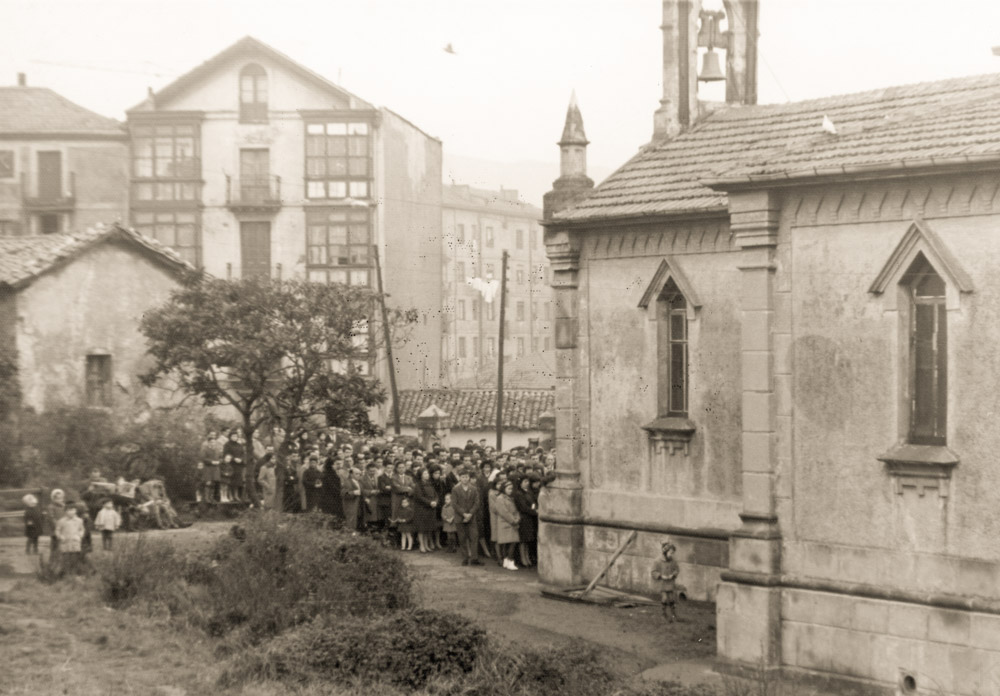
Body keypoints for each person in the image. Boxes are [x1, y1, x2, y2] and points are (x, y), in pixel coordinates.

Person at [451, 468, 482, 566]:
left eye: (467, 477)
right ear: (459, 478)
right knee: (462, 538)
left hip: (471, 517)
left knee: (474, 537)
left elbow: (477, 503)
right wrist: (464, 514)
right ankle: (465, 558)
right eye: (463, 477)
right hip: (460, 517)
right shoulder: (455, 489)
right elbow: (454, 504)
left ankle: (474, 558)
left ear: (469, 478)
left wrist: (470, 514)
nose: (465, 479)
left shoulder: (473, 488)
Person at [494, 481, 521, 571]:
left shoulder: (509, 498)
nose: (510, 490)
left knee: (511, 543)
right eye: (508, 489)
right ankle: (510, 561)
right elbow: (504, 512)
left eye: (511, 489)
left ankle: (507, 560)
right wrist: (514, 521)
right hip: (505, 523)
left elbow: (515, 510)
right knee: (511, 543)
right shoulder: (500, 498)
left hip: (510, 523)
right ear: (503, 489)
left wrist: (517, 518)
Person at [652, 542, 681, 623]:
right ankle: (663, 614)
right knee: (664, 598)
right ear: (665, 552)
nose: (671, 555)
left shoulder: (673, 561)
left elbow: (677, 569)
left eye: (673, 553)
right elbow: (653, 572)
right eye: (670, 553)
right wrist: (661, 576)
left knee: (672, 598)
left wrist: (673, 575)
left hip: (670, 583)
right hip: (662, 583)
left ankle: (673, 614)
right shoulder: (657, 561)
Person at [411, 468, 438, 553]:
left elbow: (435, 495)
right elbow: (419, 497)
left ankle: (426, 545)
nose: (427, 475)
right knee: (421, 529)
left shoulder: (430, 484)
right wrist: (430, 502)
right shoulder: (418, 485)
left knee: (428, 528)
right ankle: (422, 545)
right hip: (422, 509)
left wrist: (436, 501)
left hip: (430, 508)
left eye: (427, 473)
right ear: (421, 475)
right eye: (425, 473)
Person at [513, 476, 538, 567]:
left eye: (528, 481)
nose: (527, 483)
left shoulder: (529, 492)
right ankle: (523, 559)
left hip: (529, 518)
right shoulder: (519, 494)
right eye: (525, 481)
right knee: (523, 540)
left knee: (528, 540)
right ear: (520, 483)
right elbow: (523, 507)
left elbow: (533, 503)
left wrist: (534, 509)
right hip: (524, 518)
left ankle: (527, 557)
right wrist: (534, 512)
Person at [55, 505, 86, 574]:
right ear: (65, 511)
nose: (71, 512)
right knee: (65, 558)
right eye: (69, 510)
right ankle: (65, 573)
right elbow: (57, 530)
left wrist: (79, 536)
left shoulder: (79, 520)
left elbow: (82, 529)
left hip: (75, 542)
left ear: (76, 511)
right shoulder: (61, 521)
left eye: (73, 510)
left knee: (75, 558)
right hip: (65, 542)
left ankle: (74, 573)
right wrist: (60, 536)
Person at [319, 455, 344, 520]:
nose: (339, 466)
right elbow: (333, 488)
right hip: (330, 500)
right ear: (331, 465)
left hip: (332, 499)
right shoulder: (328, 475)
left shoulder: (331, 473)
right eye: (336, 464)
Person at [46, 489, 66, 554]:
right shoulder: (51, 507)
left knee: (63, 542)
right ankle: (53, 558)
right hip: (55, 528)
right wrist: (57, 525)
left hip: (64, 527)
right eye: (57, 498)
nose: (60, 500)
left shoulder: (64, 506)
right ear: (53, 499)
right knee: (55, 542)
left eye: (61, 498)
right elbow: (51, 518)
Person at [342, 467, 362, 531]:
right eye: (357, 474)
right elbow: (343, 494)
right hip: (350, 506)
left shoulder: (360, 482)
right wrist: (353, 492)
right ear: (351, 474)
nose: (359, 475)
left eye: (360, 474)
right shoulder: (347, 482)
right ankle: (350, 534)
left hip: (358, 505)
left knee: (357, 520)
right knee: (350, 522)